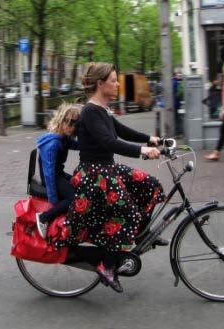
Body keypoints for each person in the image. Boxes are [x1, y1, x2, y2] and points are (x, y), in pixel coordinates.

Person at [56, 62, 166, 293]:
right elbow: (109, 142)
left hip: (107, 169)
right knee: (129, 212)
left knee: (151, 186)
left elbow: (121, 130)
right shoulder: (89, 111)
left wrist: (151, 139)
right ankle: (106, 264)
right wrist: (141, 151)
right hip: (94, 175)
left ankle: (139, 236)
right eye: (114, 80)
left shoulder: (103, 109)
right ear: (100, 84)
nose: (117, 84)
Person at [35, 103, 81, 239]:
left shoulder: (64, 138)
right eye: (69, 122)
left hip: (58, 173)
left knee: (80, 184)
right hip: (51, 177)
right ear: (61, 120)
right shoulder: (53, 143)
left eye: (75, 124)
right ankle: (44, 218)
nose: (72, 127)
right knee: (73, 200)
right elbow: (49, 175)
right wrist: (53, 201)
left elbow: (78, 145)